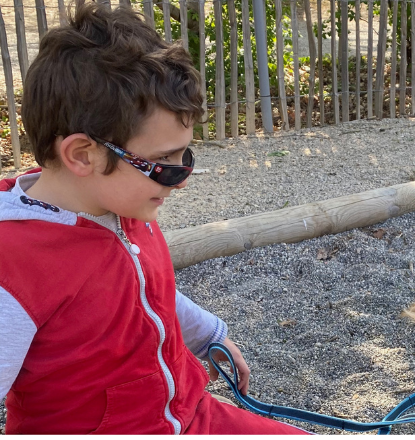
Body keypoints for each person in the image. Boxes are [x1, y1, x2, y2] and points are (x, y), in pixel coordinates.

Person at [0, 2, 307, 434]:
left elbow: (147, 290)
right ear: (82, 155)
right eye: (163, 163)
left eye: (186, 156)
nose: (180, 179)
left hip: (186, 413)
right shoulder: (15, 268)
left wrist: (207, 335)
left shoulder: (121, 202)